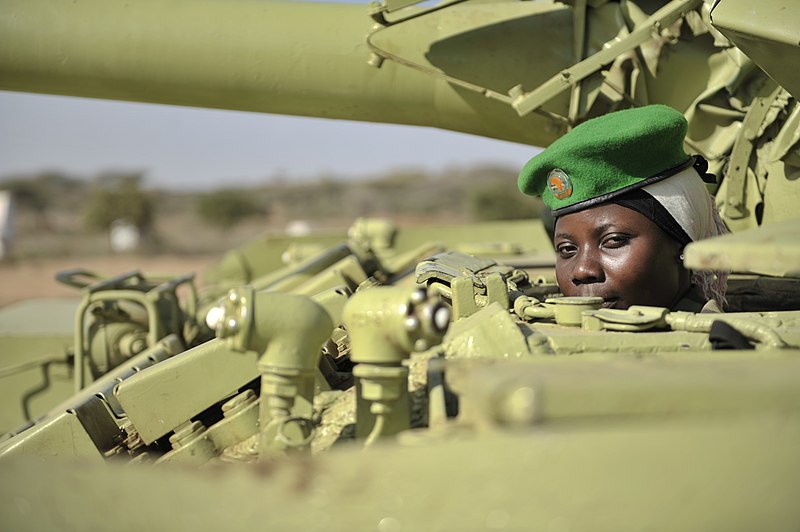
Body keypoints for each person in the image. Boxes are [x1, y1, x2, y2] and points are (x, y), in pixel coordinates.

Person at [517, 104, 728, 312]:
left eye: (614, 241)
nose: (582, 270)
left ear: (685, 245)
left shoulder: (726, 343)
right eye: (567, 249)